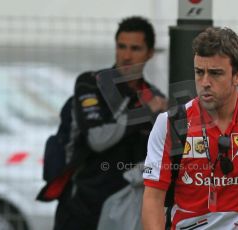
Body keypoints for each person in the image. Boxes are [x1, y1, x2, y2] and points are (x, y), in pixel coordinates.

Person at [142, 27, 238, 229]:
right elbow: (153, 198)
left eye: (215, 73)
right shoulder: (170, 123)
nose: (204, 82)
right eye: (199, 72)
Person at [37, 16, 168, 230]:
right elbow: (98, 139)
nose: (126, 56)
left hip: (123, 213)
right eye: (121, 47)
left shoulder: (154, 98)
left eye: (135, 48)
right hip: (79, 208)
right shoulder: (91, 83)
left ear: (150, 53)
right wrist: (145, 112)